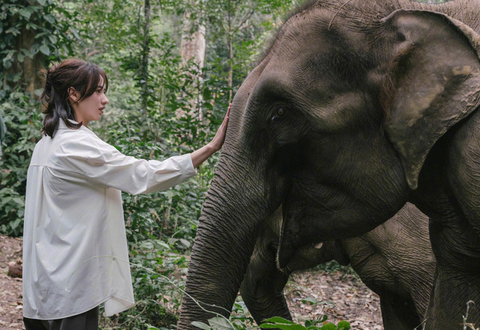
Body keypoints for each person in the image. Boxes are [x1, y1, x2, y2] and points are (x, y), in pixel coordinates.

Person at [22, 59, 230, 330]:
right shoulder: (76, 144)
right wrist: (211, 148)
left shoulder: (46, 143)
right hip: (72, 288)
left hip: (42, 287)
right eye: (97, 91)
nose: (104, 99)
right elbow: (142, 175)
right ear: (73, 94)